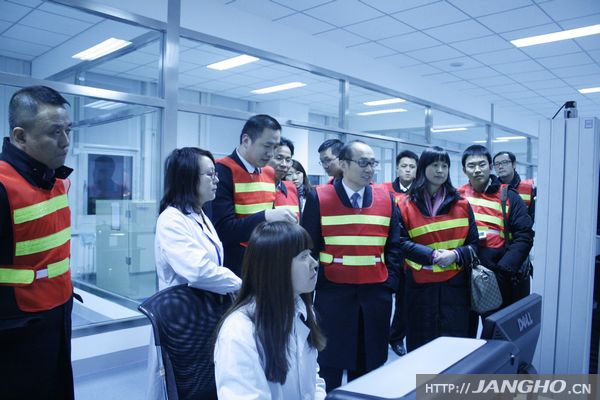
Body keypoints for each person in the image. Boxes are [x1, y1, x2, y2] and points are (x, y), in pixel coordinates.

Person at [302, 140, 402, 392]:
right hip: (333, 295)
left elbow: (394, 246)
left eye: (373, 163)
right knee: (329, 364)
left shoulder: (386, 198)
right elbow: (308, 248)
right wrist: (313, 289)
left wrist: (389, 284)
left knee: (370, 363)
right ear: (344, 165)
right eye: (363, 163)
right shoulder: (319, 197)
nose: (370, 169)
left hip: (375, 296)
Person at [147, 147, 242, 399]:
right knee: (187, 385)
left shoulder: (199, 215)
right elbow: (198, 271)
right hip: (182, 319)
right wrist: (240, 284)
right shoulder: (172, 219)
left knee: (208, 380)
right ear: (188, 178)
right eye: (210, 174)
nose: (216, 180)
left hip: (203, 312)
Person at [0, 86, 75, 400]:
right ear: (20, 137)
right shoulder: (2, 187)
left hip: (58, 313)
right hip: (14, 327)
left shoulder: (54, 180)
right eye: (55, 132)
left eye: (68, 130)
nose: (66, 141)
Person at [214, 221, 327, 399]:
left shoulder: (302, 311)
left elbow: (314, 383)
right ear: (277, 267)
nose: (314, 263)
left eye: (310, 254)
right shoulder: (239, 331)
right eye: (304, 256)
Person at [396, 146, 479, 351]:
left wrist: (455, 255)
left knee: (454, 345)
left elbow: (475, 244)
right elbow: (400, 241)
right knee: (420, 344)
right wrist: (432, 255)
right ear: (423, 167)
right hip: (419, 287)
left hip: (455, 286)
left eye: (444, 165)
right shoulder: (405, 205)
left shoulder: (462, 204)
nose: (440, 170)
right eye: (435, 165)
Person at [213, 114, 297, 276]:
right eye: (267, 146)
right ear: (246, 140)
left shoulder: (268, 172)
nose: (271, 154)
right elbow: (223, 230)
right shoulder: (222, 171)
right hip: (235, 267)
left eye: (275, 147)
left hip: (267, 260)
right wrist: (266, 216)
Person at [458, 145, 533, 321]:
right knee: (464, 330)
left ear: (490, 166)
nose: (477, 170)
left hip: (497, 273)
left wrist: (503, 271)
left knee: (494, 328)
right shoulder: (457, 197)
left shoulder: (508, 196)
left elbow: (524, 235)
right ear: (464, 170)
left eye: (482, 164)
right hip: (463, 275)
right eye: (471, 165)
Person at [381, 149, 418, 357]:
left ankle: (396, 337)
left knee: (405, 301)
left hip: (412, 253)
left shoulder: (420, 192)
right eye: (404, 166)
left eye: (412, 167)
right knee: (385, 298)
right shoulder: (385, 190)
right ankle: (381, 335)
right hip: (391, 253)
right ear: (397, 168)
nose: (408, 170)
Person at [493, 151, 536, 221]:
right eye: (497, 164)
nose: (500, 167)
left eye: (504, 162)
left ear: (514, 165)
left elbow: (533, 216)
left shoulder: (528, 188)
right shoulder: (492, 189)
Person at [268, 137, 300, 220]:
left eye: (288, 160)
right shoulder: (254, 187)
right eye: (279, 158)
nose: (284, 164)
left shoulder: (292, 188)